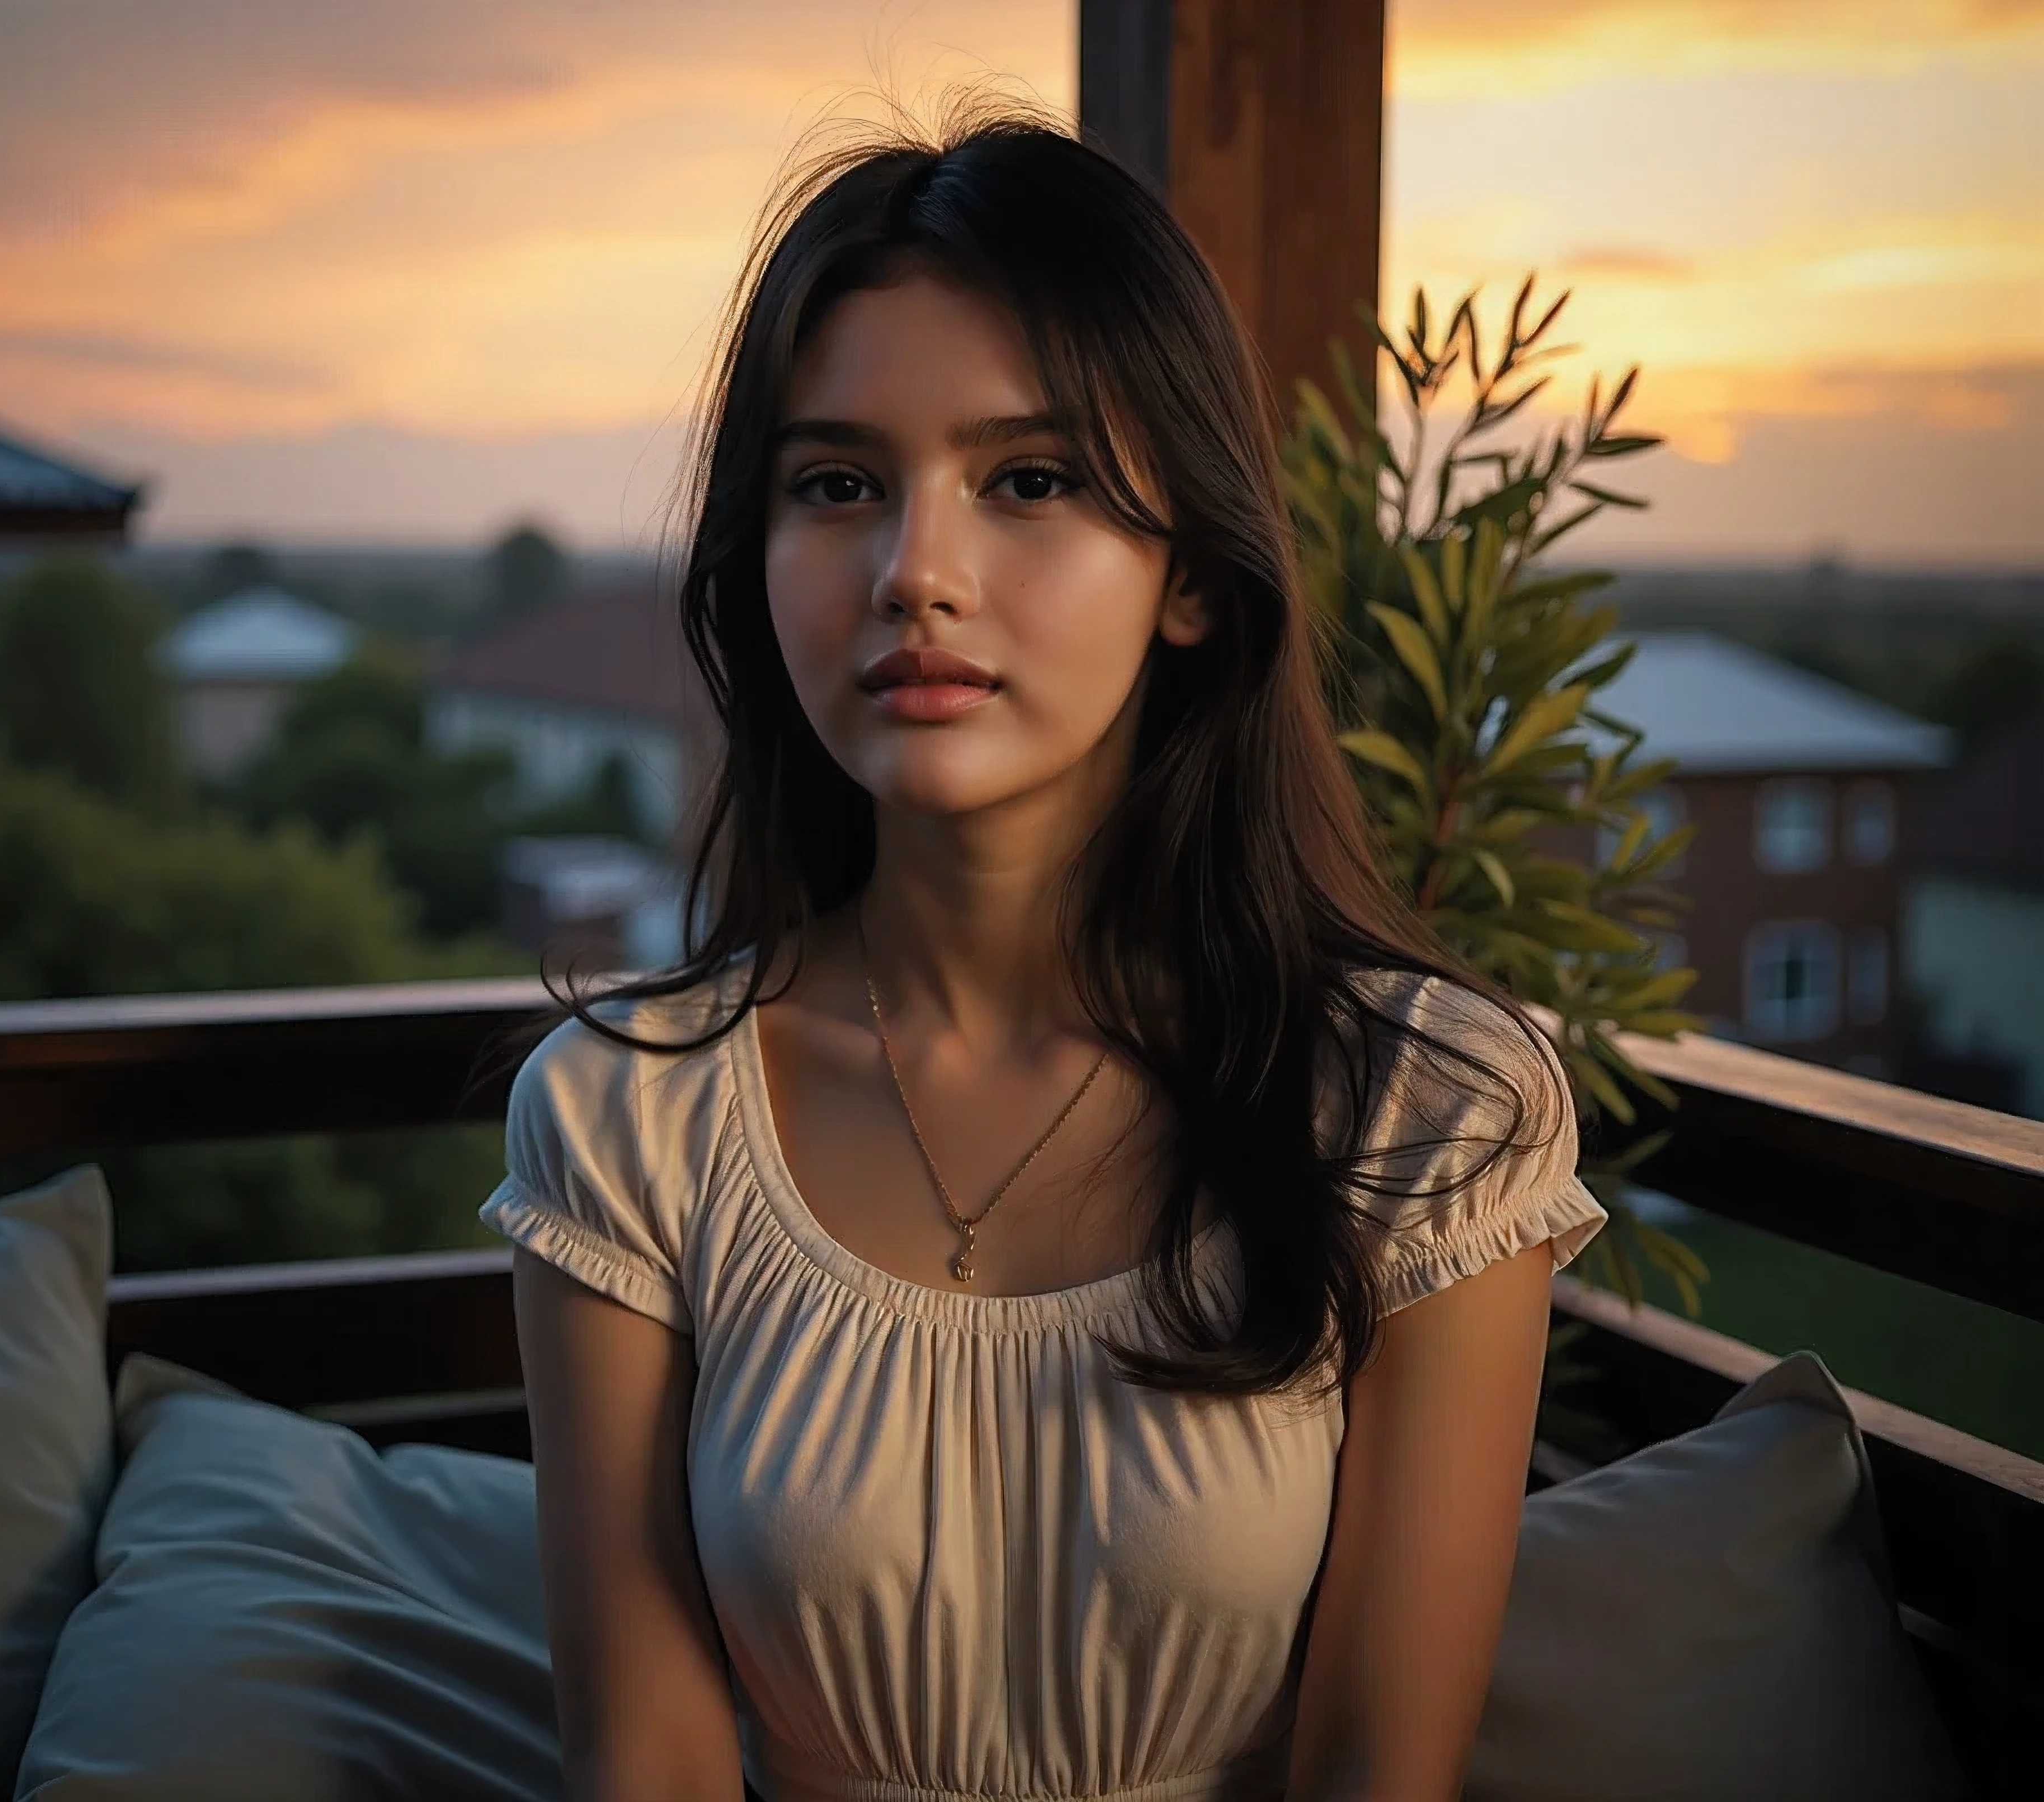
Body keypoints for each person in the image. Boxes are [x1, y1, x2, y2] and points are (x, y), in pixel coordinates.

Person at [483, 102, 1607, 1802]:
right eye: (839, 485)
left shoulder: (1425, 1113)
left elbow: (1382, 1771)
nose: (915, 574)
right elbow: (640, 1763)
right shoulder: (627, 1121)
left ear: (1193, 580)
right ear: (757, 554)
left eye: (1032, 480)